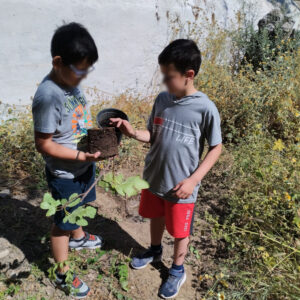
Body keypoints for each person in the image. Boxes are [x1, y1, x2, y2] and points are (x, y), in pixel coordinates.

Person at [110, 39, 222, 299]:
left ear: (188, 75)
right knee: (154, 215)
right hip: (154, 178)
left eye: (168, 76)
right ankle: (154, 249)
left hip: (182, 187)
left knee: (181, 231)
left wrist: (193, 180)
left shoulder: (205, 108)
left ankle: (177, 268)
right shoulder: (162, 99)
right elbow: (153, 134)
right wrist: (132, 131)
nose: (164, 82)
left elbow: (216, 148)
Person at [32, 22, 103, 299]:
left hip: (83, 164)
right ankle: (62, 274)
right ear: (58, 62)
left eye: (88, 69)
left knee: (81, 206)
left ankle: (80, 238)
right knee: (63, 222)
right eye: (79, 70)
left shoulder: (70, 85)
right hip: (65, 172)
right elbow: (44, 144)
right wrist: (78, 154)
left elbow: (75, 120)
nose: (83, 76)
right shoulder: (48, 96)